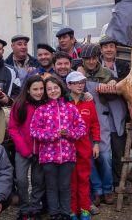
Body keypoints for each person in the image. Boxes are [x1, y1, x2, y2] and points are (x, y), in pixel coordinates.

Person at [30, 76, 86, 220]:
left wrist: (69, 133)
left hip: (68, 155)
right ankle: (54, 213)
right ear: (46, 92)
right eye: (49, 89)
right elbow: (34, 131)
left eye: (55, 88)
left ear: (61, 88)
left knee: (65, 186)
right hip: (48, 156)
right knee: (51, 186)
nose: (53, 91)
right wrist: (53, 135)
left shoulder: (70, 108)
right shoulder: (41, 110)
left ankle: (65, 213)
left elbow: (81, 128)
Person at [80, 43, 117, 207]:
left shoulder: (107, 74)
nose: (91, 61)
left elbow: (115, 97)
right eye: (87, 58)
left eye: (94, 58)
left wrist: (111, 86)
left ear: (98, 58)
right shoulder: (77, 73)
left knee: (105, 157)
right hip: (82, 120)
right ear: (83, 60)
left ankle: (108, 189)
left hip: (102, 119)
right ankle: (97, 191)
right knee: (88, 158)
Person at [8, 75, 47, 220]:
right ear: (28, 90)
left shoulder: (46, 104)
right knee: (22, 180)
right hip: (23, 150)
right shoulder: (20, 104)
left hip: (42, 150)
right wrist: (24, 149)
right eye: (35, 89)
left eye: (41, 89)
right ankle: (24, 209)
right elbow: (13, 128)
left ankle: (35, 208)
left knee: (38, 180)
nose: (39, 92)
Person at [66, 71, 100, 220]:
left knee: (84, 179)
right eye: (76, 83)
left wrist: (96, 144)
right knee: (71, 181)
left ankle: (84, 209)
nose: (80, 85)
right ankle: (73, 211)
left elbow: (95, 125)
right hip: (67, 148)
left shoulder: (88, 102)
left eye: (82, 82)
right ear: (68, 85)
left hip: (85, 147)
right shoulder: (63, 103)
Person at [98, 35, 130, 188]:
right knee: (102, 152)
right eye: (105, 47)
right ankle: (104, 185)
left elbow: (130, 81)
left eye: (111, 46)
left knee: (118, 149)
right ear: (101, 50)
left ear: (116, 49)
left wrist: (115, 82)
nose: (109, 49)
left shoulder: (124, 65)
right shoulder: (95, 65)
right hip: (100, 112)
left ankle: (118, 183)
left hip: (119, 112)